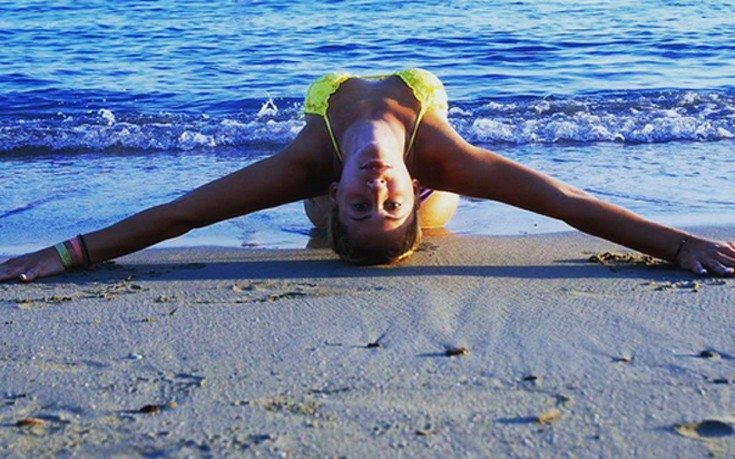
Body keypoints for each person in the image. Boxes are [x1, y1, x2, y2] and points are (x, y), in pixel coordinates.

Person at [1, 68, 734, 282]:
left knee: (347, 223)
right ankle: (380, 227)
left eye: (364, 203)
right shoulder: (439, 159)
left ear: (337, 190)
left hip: (391, 194)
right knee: (394, 217)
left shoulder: (312, 165)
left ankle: (362, 228)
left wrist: (67, 252)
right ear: (409, 184)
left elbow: (183, 213)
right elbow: (563, 201)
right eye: (389, 202)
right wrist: (679, 244)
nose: (378, 187)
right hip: (421, 190)